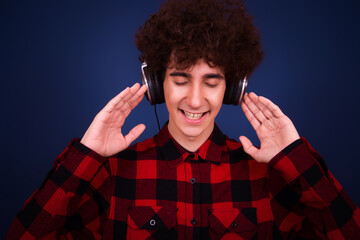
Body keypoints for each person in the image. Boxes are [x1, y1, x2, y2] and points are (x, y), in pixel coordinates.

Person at [6, 0, 360, 239]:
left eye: (212, 81)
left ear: (233, 88)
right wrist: (87, 154)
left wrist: (295, 157)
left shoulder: (266, 174)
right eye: (180, 79)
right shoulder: (114, 171)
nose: (194, 99)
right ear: (157, 84)